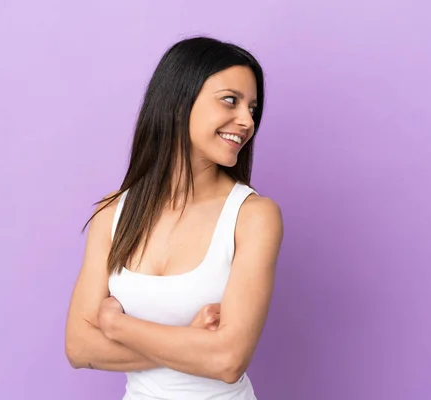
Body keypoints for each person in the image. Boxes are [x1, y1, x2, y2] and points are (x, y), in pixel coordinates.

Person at [65, 36, 284, 400]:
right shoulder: (113, 214)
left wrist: (116, 324)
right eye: (230, 100)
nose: (247, 120)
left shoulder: (253, 217)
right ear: (179, 102)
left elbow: (227, 360)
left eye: (253, 108)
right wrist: (192, 343)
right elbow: (79, 347)